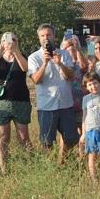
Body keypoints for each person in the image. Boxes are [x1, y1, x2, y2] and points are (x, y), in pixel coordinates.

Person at [27, 24, 81, 163]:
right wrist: (45, 63)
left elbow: (71, 76)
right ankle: (50, 166)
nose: (46, 38)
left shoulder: (64, 54)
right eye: (43, 35)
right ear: (38, 38)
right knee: (47, 142)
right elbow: (36, 80)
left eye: (49, 35)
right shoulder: (34, 57)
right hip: (47, 106)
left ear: (54, 36)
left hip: (65, 104)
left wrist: (60, 63)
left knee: (71, 139)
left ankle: (62, 163)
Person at [0, 31, 28, 173]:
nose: (10, 42)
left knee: (23, 137)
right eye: (6, 40)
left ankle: (28, 166)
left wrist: (15, 52)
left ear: (17, 41)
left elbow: (25, 68)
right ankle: (4, 169)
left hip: (20, 101)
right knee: (3, 136)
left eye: (13, 39)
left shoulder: (22, 56)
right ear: (1, 42)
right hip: (1, 103)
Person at [80, 73, 100, 181]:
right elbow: (84, 117)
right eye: (89, 85)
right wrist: (83, 134)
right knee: (92, 155)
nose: (93, 86)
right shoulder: (86, 99)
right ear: (86, 87)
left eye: (95, 83)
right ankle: (94, 179)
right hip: (90, 131)